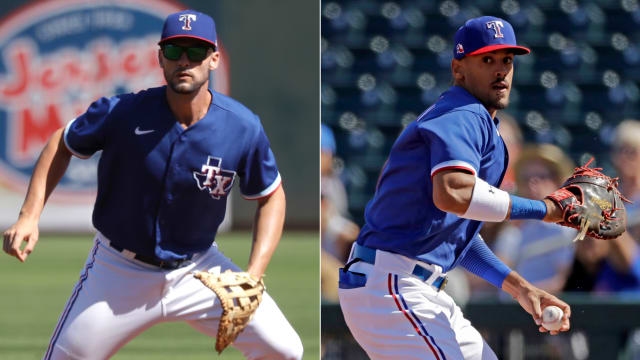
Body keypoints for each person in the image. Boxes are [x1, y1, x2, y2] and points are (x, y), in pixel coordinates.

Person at [2, 10, 302, 360]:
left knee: (285, 350)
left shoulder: (242, 127)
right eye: (174, 51)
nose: (185, 60)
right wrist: (28, 215)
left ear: (215, 58)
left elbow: (271, 195)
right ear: (161, 57)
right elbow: (61, 143)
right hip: (118, 271)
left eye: (196, 50)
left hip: (200, 269)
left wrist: (253, 274)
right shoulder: (124, 113)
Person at [338, 16, 572, 360]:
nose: (500, 71)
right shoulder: (462, 114)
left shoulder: (473, 118)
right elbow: (453, 192)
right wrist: (547, 210)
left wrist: (519, 287)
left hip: (410, 286)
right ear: (458, 69)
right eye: (487, 60)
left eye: (507, 60)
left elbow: (455, 233)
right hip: (393, 285)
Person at [492, 144, 577, 294]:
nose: (533, 183)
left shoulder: (567, 229)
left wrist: (525, 294)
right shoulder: (512, 232)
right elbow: (496, 280)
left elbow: (566, 282)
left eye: (542, 177)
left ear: (558, 181)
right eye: (526, 178)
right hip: (516, 307)